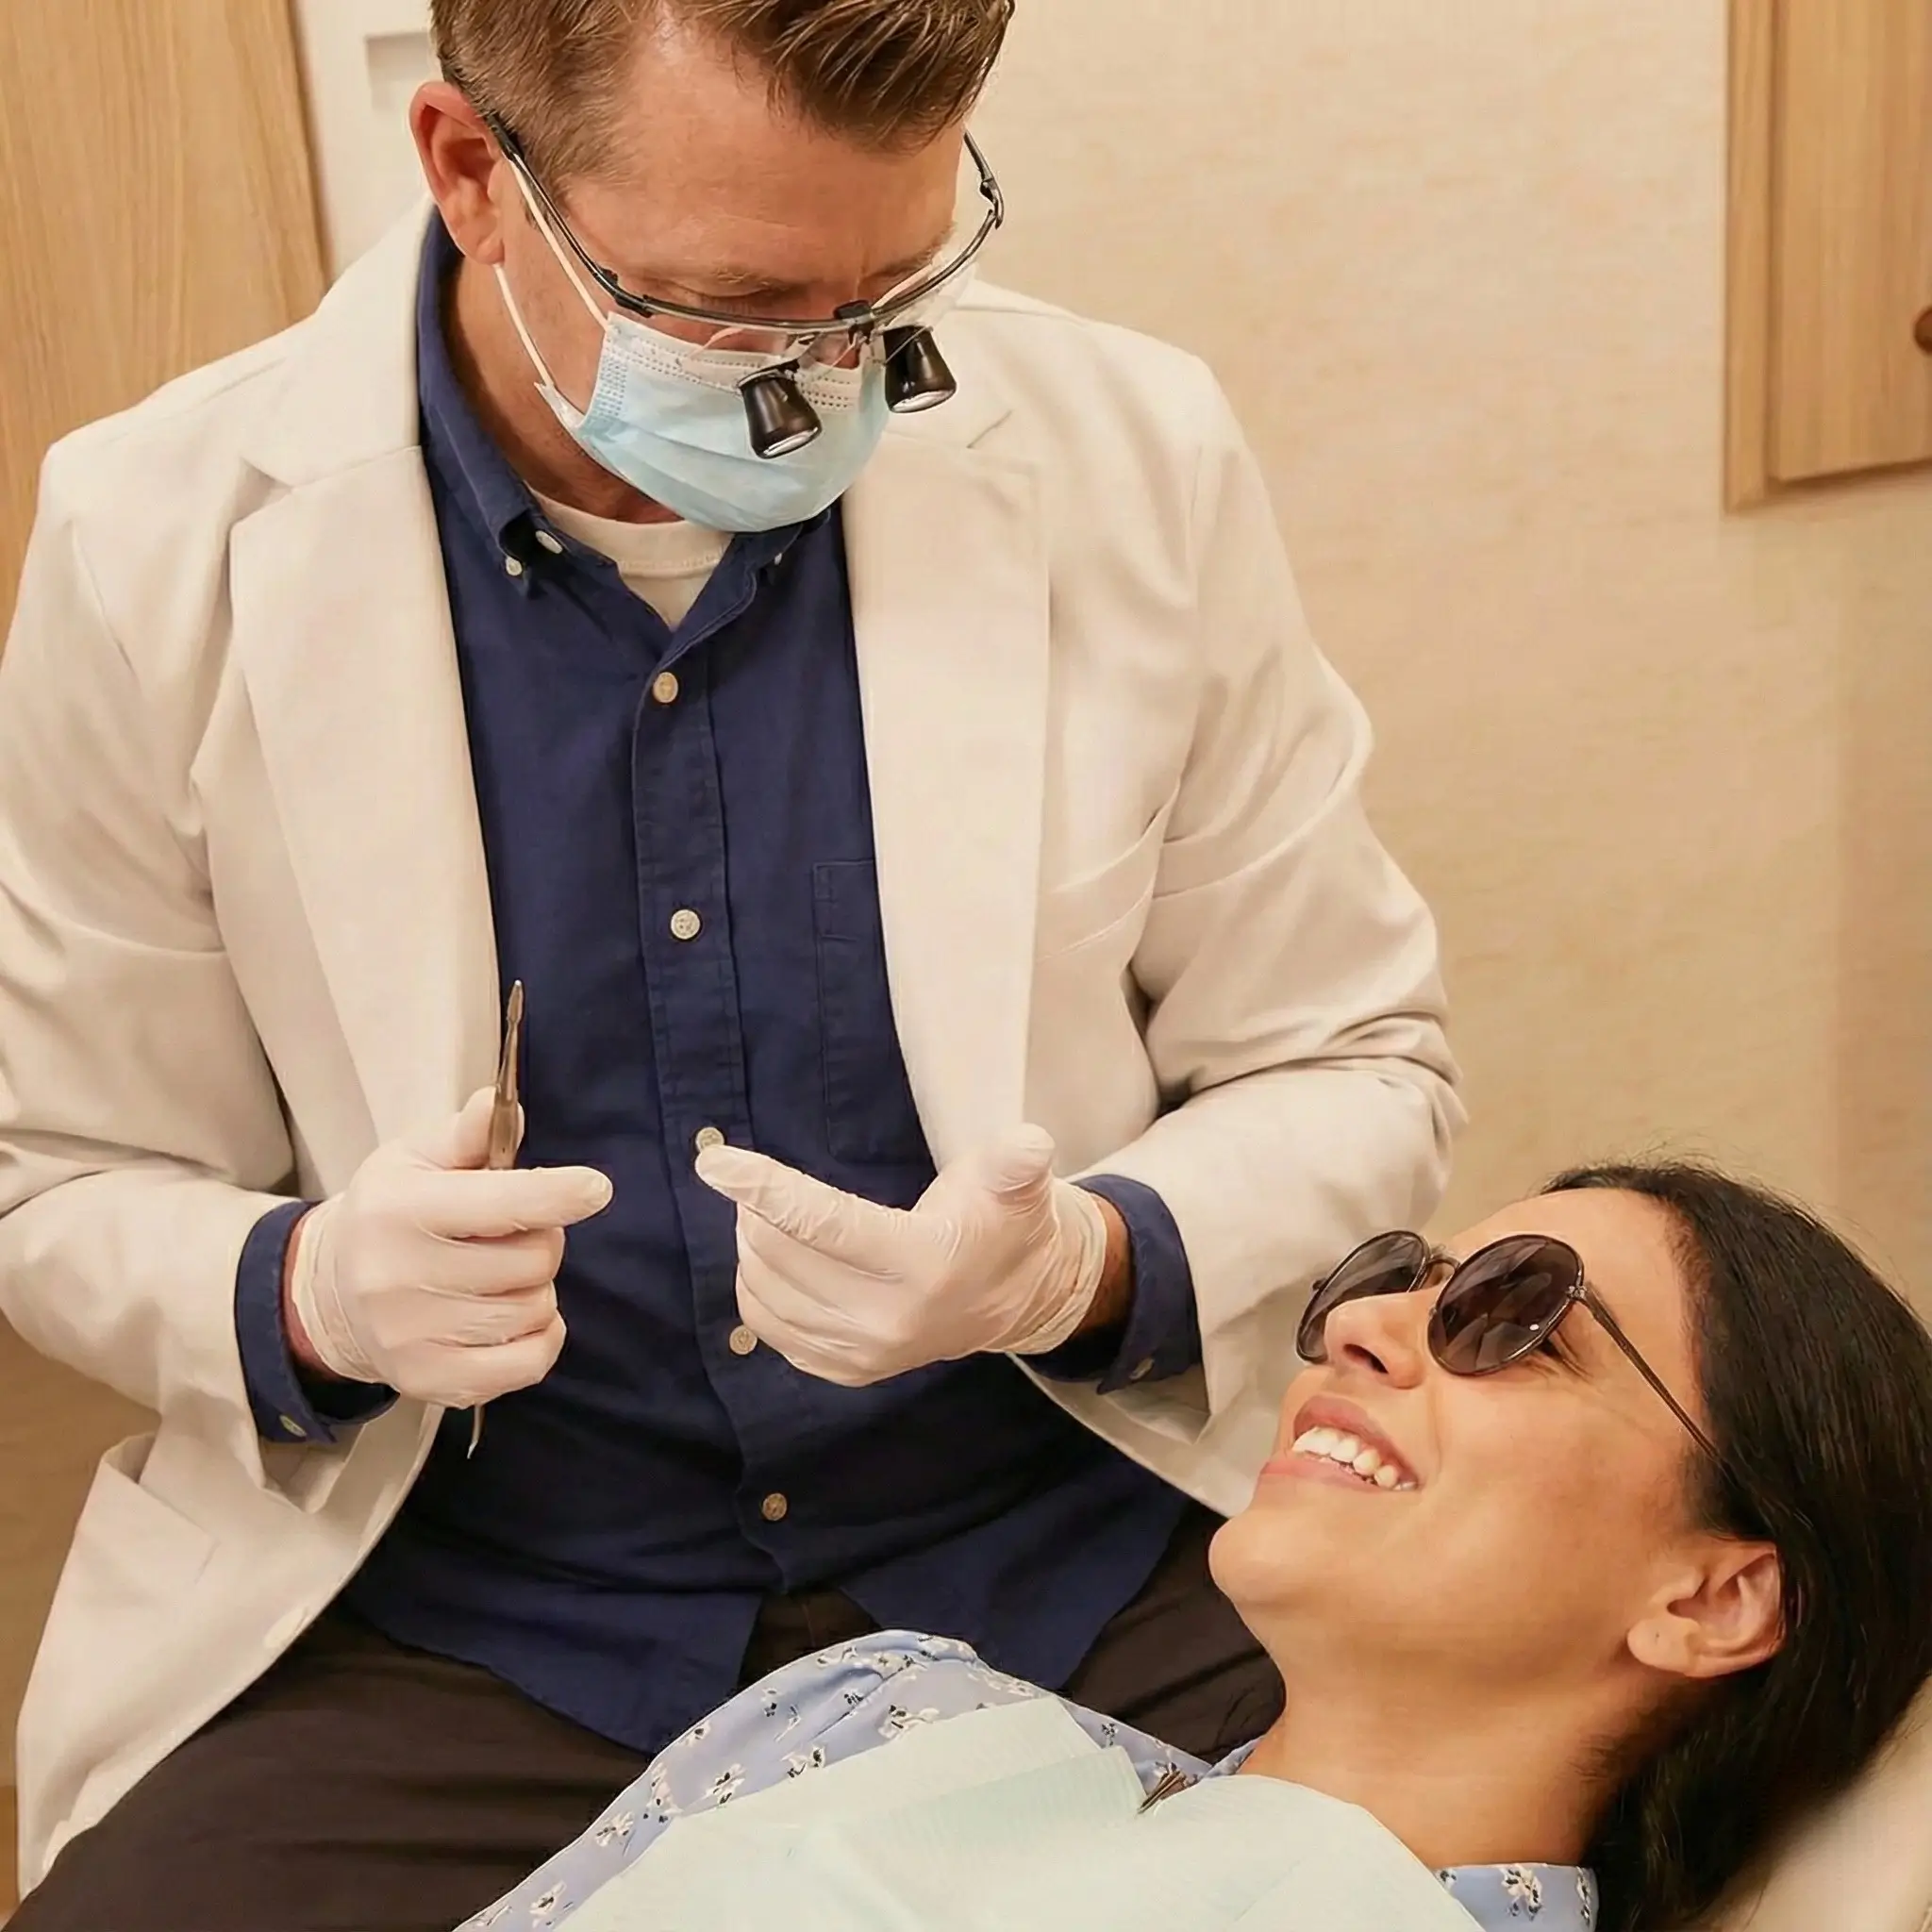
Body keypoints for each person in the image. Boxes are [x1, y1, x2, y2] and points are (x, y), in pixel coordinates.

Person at [0, 1, 1458, 1924]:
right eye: (737, 307)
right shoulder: (152, 535)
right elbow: (57, 1177)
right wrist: (305, 1291)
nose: (825, 377)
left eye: (890, 285)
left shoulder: (1129, 454)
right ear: (467, 170)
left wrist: (1087, 1255)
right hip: (469, 1620)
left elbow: (1359, 1062)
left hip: (1071, 1548)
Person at [453, 1163, 1932, 1932]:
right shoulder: (875, 1710)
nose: (1357, 1324)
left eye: (1520, 1320)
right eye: (1397, 1279)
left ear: (1715, 1594)